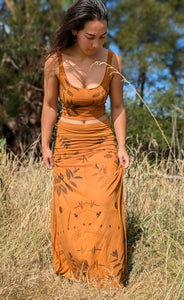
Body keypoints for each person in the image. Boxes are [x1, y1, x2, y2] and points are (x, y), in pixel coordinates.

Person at [41, 0, 130, 288]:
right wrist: (45, 144)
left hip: (101, 141)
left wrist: (121, 146)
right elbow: (50, 105)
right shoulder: (54, 61)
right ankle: (76, 271)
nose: (96, 43)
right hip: (68, 144)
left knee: (104, 204)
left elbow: (117, 107)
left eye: (102, 36)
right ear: (75, 31)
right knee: (72, 209)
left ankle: (106, 274)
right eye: (90, 37)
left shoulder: (113, 60)